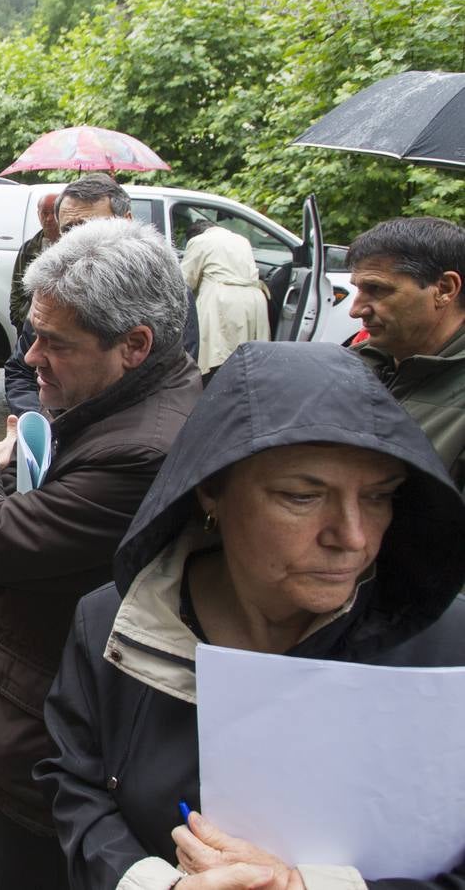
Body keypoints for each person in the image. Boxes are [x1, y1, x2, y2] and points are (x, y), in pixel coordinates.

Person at [36, 341, 465, 889]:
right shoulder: (113, 626)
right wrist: (147, 881)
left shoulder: (448, 649)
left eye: (379, 497)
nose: (353, 538)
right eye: (302, 497)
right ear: (211, 488)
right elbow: (75, 780)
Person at [0, 218, 200, 889]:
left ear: (134, 345)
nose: (30, 357)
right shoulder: (127, 397)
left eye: (54, 342)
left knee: (46, 847)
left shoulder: (140, 452)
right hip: (46, 691)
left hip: (53, 715)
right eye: (33, 333)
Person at [4, 173, 201, 415]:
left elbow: (166, 380)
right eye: (68, 229)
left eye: (91, 227)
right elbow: (20, 371)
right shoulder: (52, 293)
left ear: (126, 221)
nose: (77, 239)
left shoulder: (167, 290)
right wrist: (40, 426)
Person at [349, 216, 465, 489]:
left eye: (376, 289)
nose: (355, 310)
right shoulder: (352, 363)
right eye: (358, 289)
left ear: (445, 289)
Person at [179, 220, 269, 379]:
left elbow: (184, 283)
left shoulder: (199, 241)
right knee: (245, 358)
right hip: (254, 301)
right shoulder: (242, 240)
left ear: (195, 235)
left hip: (222, 302)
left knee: (216, 356)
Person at [9, 193, 60, 330]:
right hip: (30, 322)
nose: (49, 218)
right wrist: (18, 317)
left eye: (53, 213)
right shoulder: (28, 248)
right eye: (44, 213)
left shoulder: (71, 245)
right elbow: (17, 285)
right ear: (38, 214)